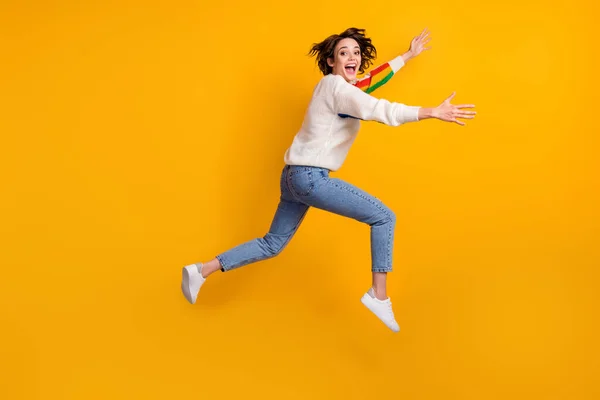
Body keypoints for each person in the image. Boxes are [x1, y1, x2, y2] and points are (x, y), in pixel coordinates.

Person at [181, 27, 476, 332]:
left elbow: (370, 82)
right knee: (384, 217)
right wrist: (431, 112)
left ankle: (201, 270)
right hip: (309, 178)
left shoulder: (334, 87)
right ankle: (379, 294)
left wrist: (407, 56)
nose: (352, 57)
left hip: (293, 177)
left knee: (272, 244)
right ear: (332, 62)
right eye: (343, 53)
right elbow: (379, 109)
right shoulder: (339, 89)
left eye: (356, 53)